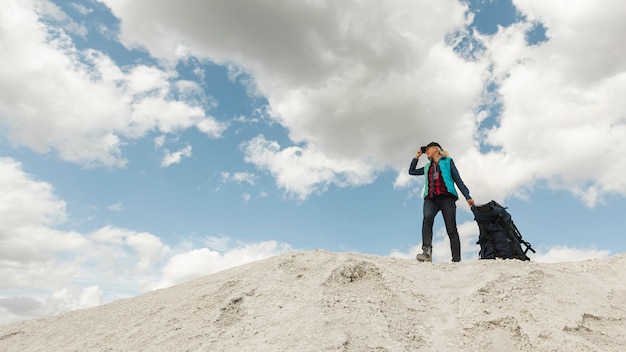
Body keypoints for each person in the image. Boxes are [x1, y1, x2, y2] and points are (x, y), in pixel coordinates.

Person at [408, 142, 474, 262]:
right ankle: (427, 252)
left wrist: (467, 196)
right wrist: (416, 157)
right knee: (427, 219)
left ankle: (456, 259)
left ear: (436, 149)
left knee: (451, 228)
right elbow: (411, 171)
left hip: (446, 197)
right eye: (425, 150)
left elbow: (457, 179)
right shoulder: (428, 167)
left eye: (428, 149)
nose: (426, 151)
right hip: (430, 198)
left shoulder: (448, 162)